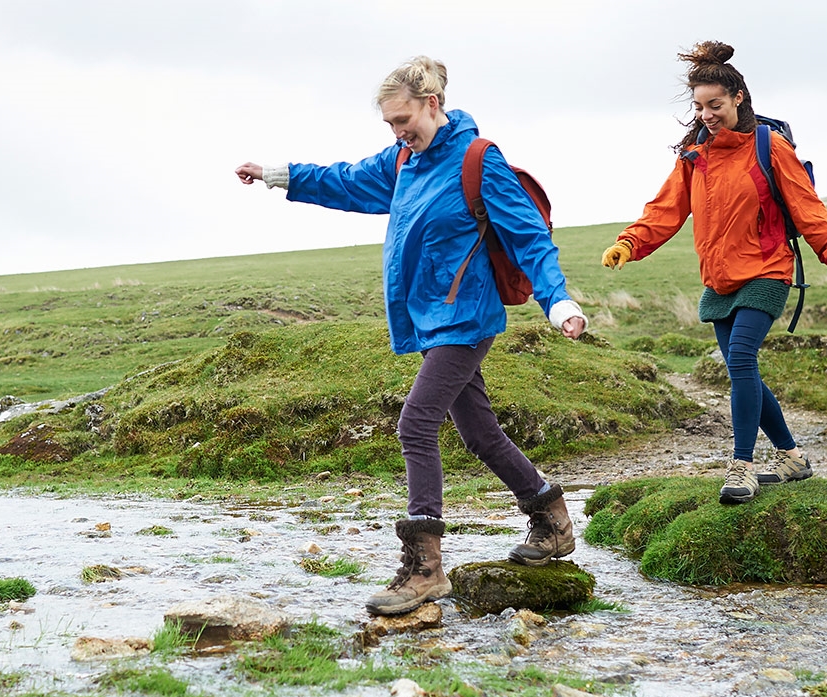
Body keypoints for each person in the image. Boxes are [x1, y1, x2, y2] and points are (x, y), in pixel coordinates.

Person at [236, 56, 588, 616]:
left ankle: (426, 568)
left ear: (433, 105)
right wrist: (279, 173)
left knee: (416, 422)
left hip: (466, 317)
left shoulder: (479, 160)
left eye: (405, 120)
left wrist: (558, 301)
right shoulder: (402, 161)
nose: (399, 132)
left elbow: (527, 236)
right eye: (389, 124)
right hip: (429, 320)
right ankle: (551, 517)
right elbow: (346, 180)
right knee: (479, 434)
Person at [600, 41, 827, 504]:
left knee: (741, 358)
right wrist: (629, 242)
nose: (706, 114)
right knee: (743, 370)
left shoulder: (770, 147)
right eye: (699, 106)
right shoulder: (694, 155)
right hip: (720, 279)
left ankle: (741, 466)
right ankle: (792, 455)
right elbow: (665, 210)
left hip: (767, 270)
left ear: (738, 98)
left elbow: (808, 210)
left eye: (715, 105)